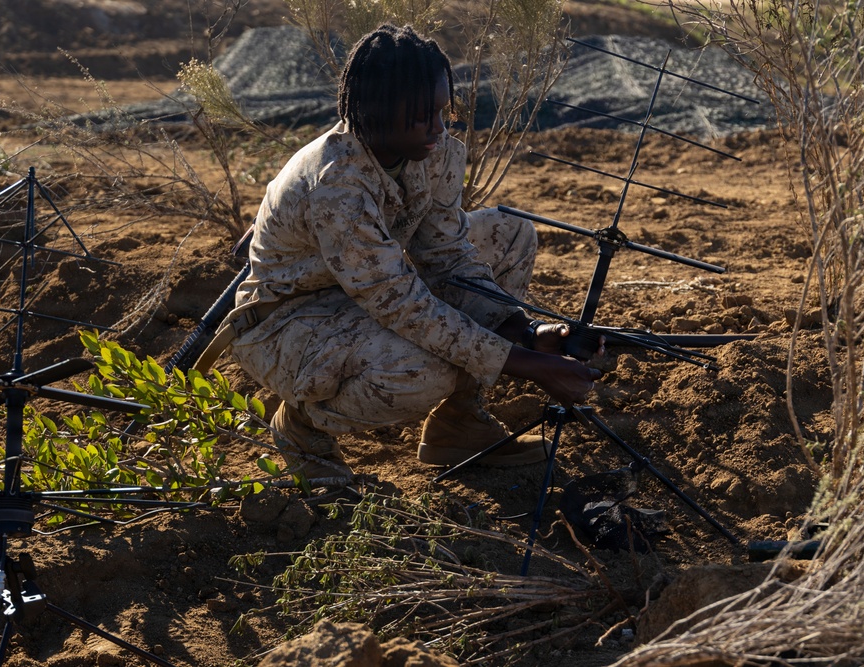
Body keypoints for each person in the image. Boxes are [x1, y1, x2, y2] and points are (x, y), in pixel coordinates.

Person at [221, 24, 602, 482]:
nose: (439, 130)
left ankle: (458, 424)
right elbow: (404, 307)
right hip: (292, 318)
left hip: (375, 289)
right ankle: (302, 425)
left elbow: (449, 256)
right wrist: (529, 364)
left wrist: (526, 331)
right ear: (379, 111)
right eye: (423, 117)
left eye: (442, 113)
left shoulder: (431, 151)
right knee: (426, 368)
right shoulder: (335, 183)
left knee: (510, 232)